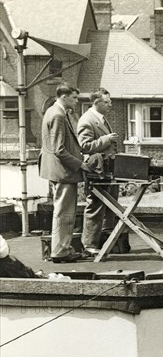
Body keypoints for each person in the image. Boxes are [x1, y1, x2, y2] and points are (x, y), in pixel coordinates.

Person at [39, 84, 91, 263]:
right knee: (64, 213)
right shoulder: (58, 115)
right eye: (74, 98)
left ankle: (62, 249)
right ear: (63, 96)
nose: (76, 102)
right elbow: (58, 149)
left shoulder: (55, 112)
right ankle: (60, 251)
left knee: (63, 212)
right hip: (63, 172)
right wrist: (80, 165)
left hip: (60, 171)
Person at [77, 87, 119, 255]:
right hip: (97, 171)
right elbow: (84, 146)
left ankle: (106, 241)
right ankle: (89, 245)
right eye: (107, 102)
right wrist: (105, 139)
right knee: (95, 205)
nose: (110, 105)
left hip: (108, 170)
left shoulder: (101, 119)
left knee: (110, 205)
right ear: (96, 102)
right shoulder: (86, 121)